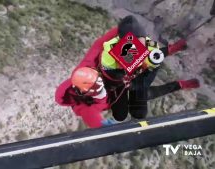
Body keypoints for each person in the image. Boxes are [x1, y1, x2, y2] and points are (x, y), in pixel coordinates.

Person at [71, 15, 200, 122]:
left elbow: (154, 55)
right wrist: (123, 77)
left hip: (137, 78)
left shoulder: (146, 44)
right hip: (119, 82)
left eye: (140, 43)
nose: (139, 48)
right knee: (120, 114)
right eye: (134, 45)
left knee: (139, 110)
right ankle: (175, 84)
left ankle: (178, 85)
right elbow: (111, 76)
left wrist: (169, 50)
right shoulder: (109, 54)